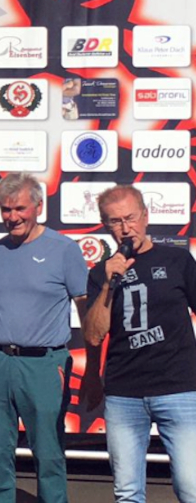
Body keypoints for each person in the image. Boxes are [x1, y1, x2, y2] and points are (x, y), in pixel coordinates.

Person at [0, 172, 87, 502]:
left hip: (42, 365)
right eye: (5, 210)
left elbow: (85, 307)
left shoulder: (64, 250)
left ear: (38, 206)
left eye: (20, 208)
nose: (13, 217)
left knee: (49, 455)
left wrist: (93, 367)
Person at [83, 185, 196, 503]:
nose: (125, 228)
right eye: (115, 221)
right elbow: (93, 334)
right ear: (106, 225)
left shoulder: (176, 260)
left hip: (180, 389)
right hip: (125, 394)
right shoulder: (99, 275)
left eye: (130, 218)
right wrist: (108, 283)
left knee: (191, 486)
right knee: (128, 492)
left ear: (145, 216)